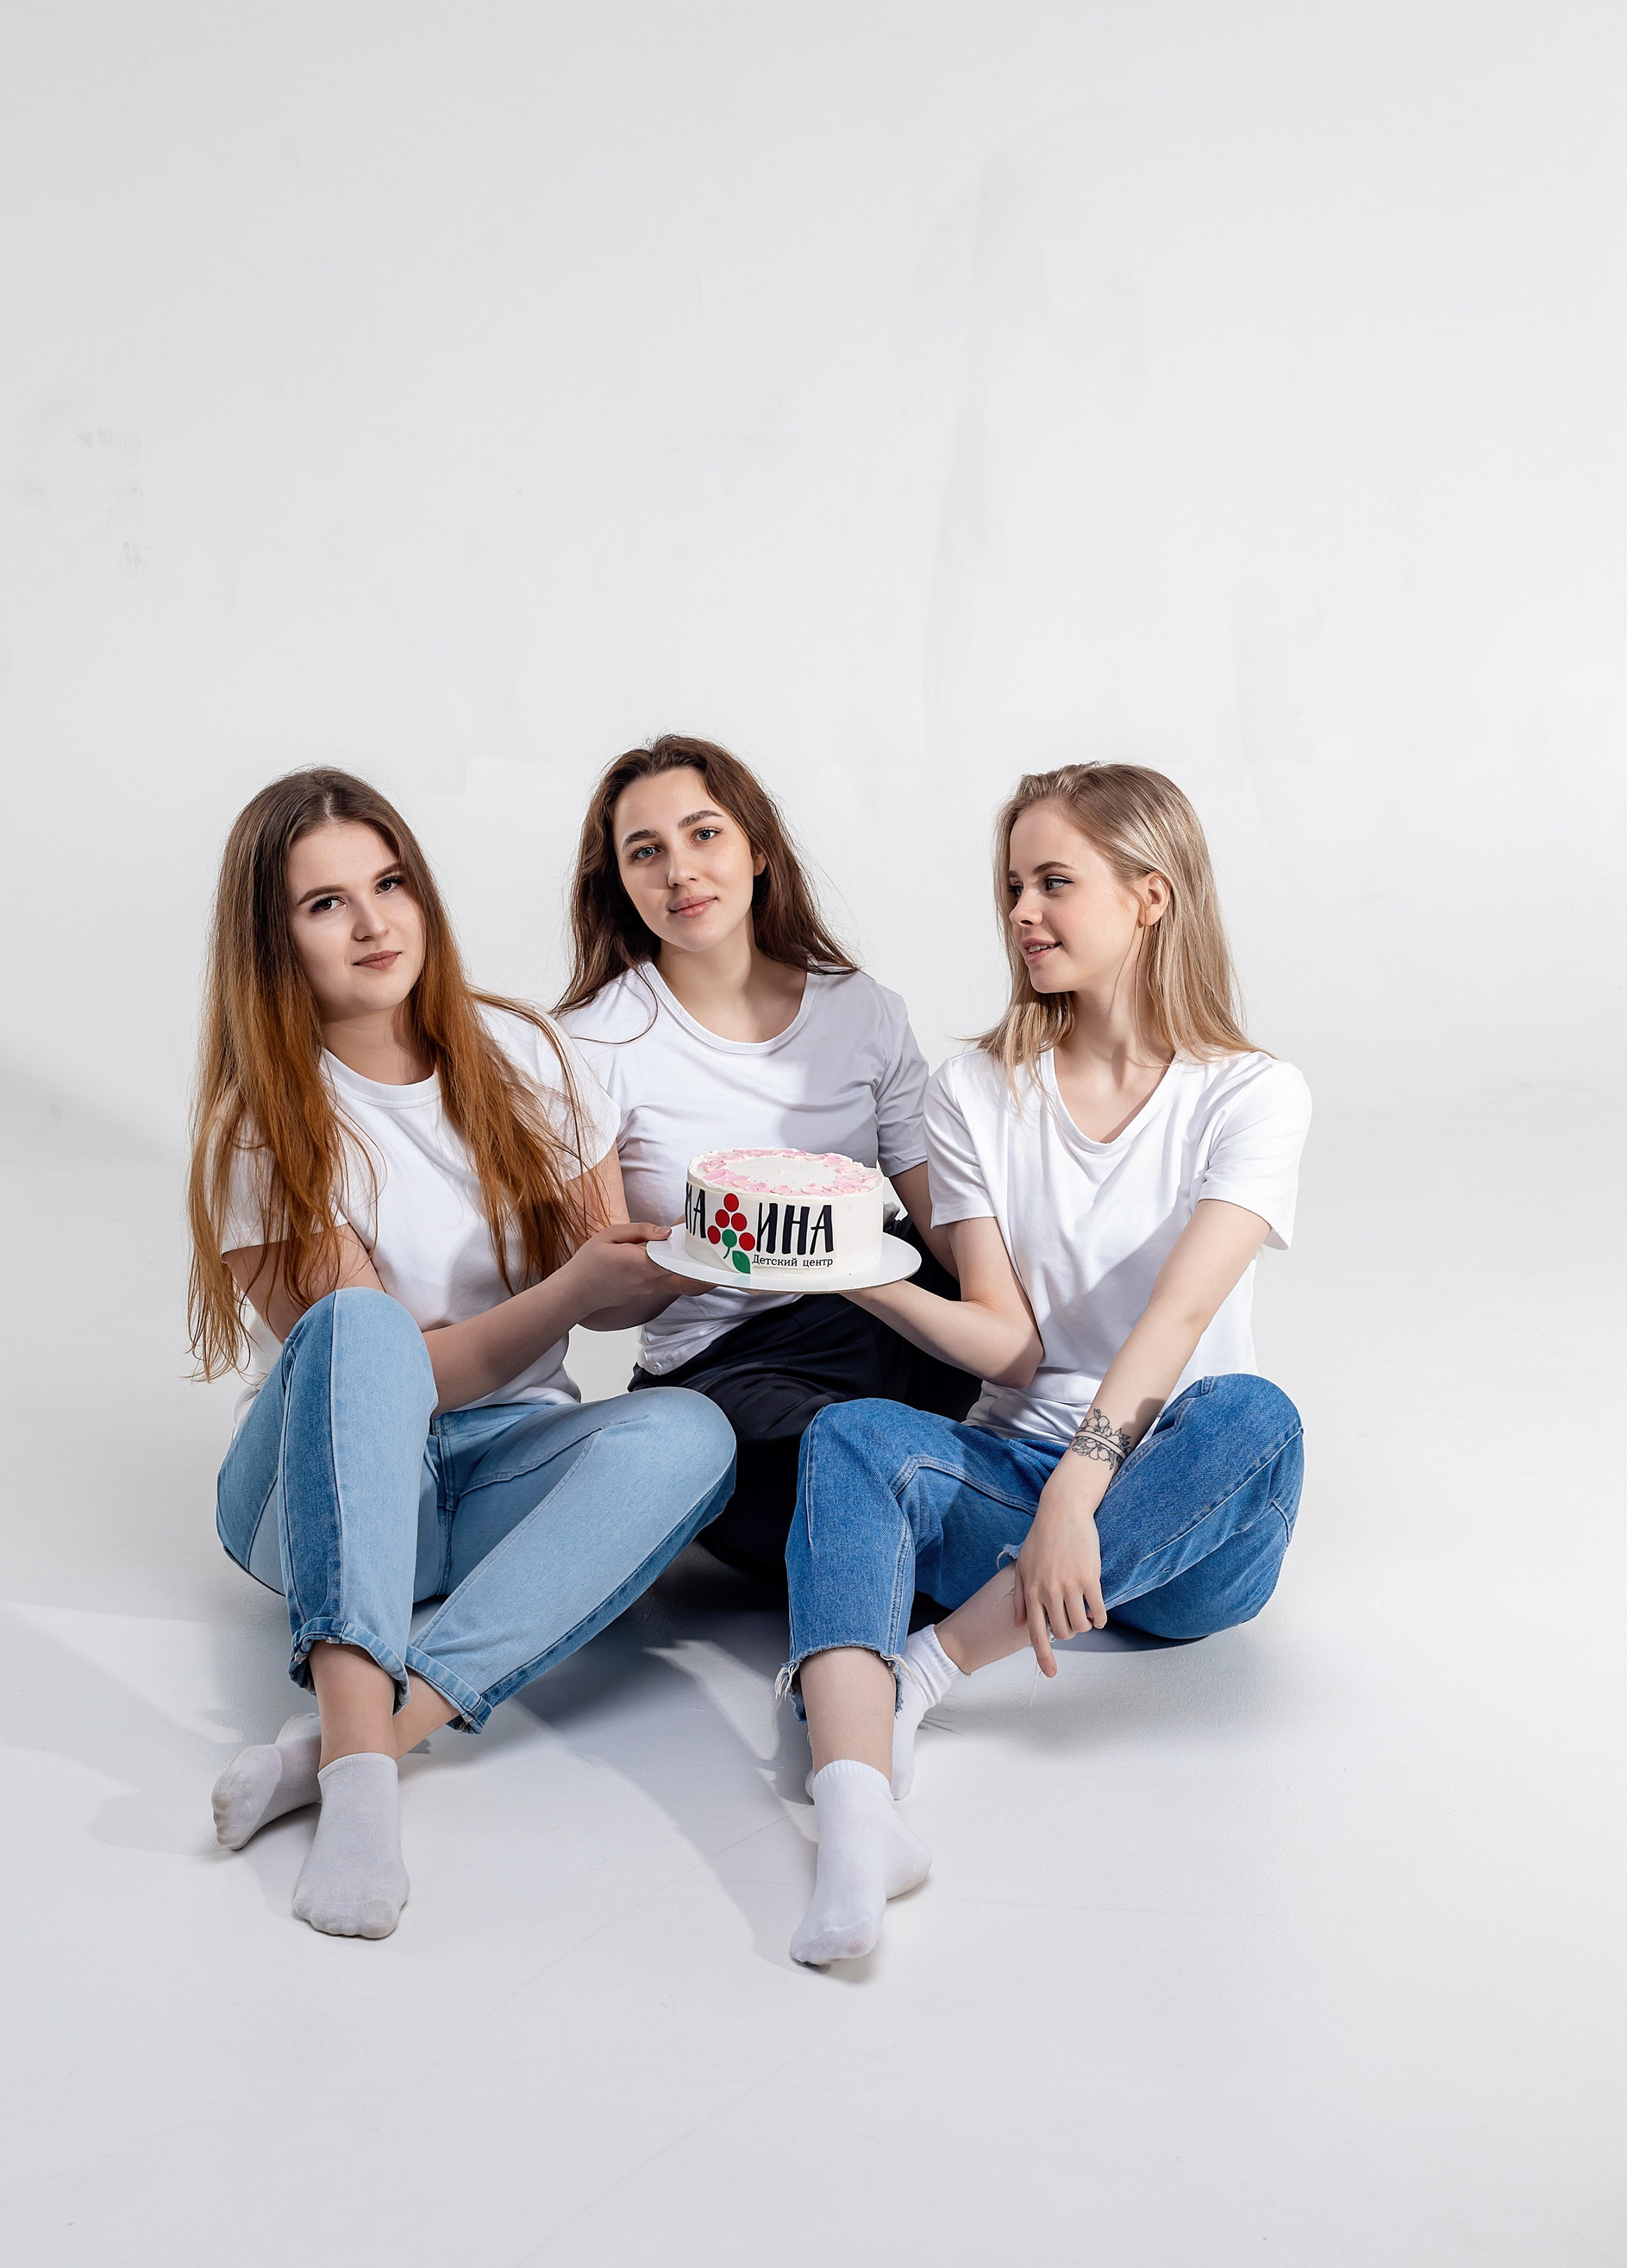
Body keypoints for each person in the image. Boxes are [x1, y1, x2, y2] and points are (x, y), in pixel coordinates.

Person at [782, 761, 1311, 1965]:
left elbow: (1179, 1318)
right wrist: (849, 1270)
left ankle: (929, 1668)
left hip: (1182, 1525)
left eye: (1054, 882)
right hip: (1020, 1493)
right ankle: (857, 1809)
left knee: (1254, 1415)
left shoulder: (1253, 1095)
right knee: (849, 1435)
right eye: (1013, 885)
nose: (1021, 911)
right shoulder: (977, 1090)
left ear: (1150, 896)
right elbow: (1008, 1344)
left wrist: (1080, 1491)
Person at [191, 767, 733, 1940]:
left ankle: (372, 1737)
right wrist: (569, 1293)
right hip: (320, 1491)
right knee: (364, 1326)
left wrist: (676, 1263)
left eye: (390, 885)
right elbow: (387, 1385)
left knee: (693, 1432)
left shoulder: (525, 1052)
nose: (374, 923)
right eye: (326, 904)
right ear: (273, 941)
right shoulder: (263, 1125)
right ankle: (360, 1790)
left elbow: (602, 1294)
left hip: (495, 1468)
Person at [558, 734, 977, 1576]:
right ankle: (951, 1507)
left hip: (882, 1318)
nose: (680, 871)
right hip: (727, 1367)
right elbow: (603, 1307)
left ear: (757, 848)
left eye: (704, 833)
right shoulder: (587, 1045)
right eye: (646, 851)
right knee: (820, 1488)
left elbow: (950, 1231)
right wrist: (720, 1249)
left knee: (1011, 1286)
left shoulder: (863, 1011)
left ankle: (982, 1489)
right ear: (620, 883)